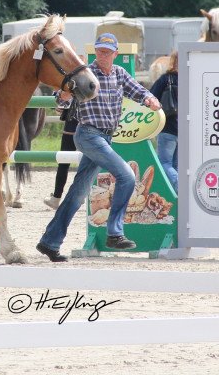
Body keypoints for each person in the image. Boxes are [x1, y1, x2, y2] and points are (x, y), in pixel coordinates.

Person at [36, 33, 161, 262]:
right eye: (99, 51)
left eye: (106, 52)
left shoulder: (120, 74)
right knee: (126, 176)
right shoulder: (85, 74)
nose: (102, 55)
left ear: (115, 54)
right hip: (88, 135)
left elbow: (138, 91)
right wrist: (63, 95)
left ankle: (49, 242)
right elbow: (61, 102)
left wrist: (150, 100)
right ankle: (114, 232)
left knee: (78, 193)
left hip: (105, 137)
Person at [149, 50, 178, 192]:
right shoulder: (191, 78)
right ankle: (178, 198)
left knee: (164, 163)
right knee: (177, 165)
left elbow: (150, 97)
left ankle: (178, 186)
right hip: (184, 130)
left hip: (167, 128)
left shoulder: (165, 79)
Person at [43, 106, 78, 209]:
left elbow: (59, 109)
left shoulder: (69, 90)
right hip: (90, 130)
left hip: (70, 129)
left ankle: (56, 198)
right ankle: (79, 197)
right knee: (86, 165)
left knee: (63, 165)